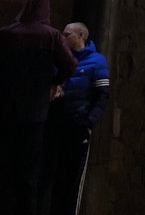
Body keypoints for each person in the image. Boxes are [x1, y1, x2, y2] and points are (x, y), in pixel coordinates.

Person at [0, 0, 77, 215]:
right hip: (35, 110)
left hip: (6, 109)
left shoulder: (7, 33)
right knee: (29, 168)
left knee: (5, 164)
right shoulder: (52, 36)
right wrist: (54, 82)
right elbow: (70, 65)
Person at [38, 22, 109, 215]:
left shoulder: (97, 62)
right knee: (48, 176)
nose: (63, 37)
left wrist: (88, 123)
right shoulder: (59, 60)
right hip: (54, 124)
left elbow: (102, 96)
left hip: (76, 126)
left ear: (81, 36)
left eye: (67, 34)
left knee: (71, 180)